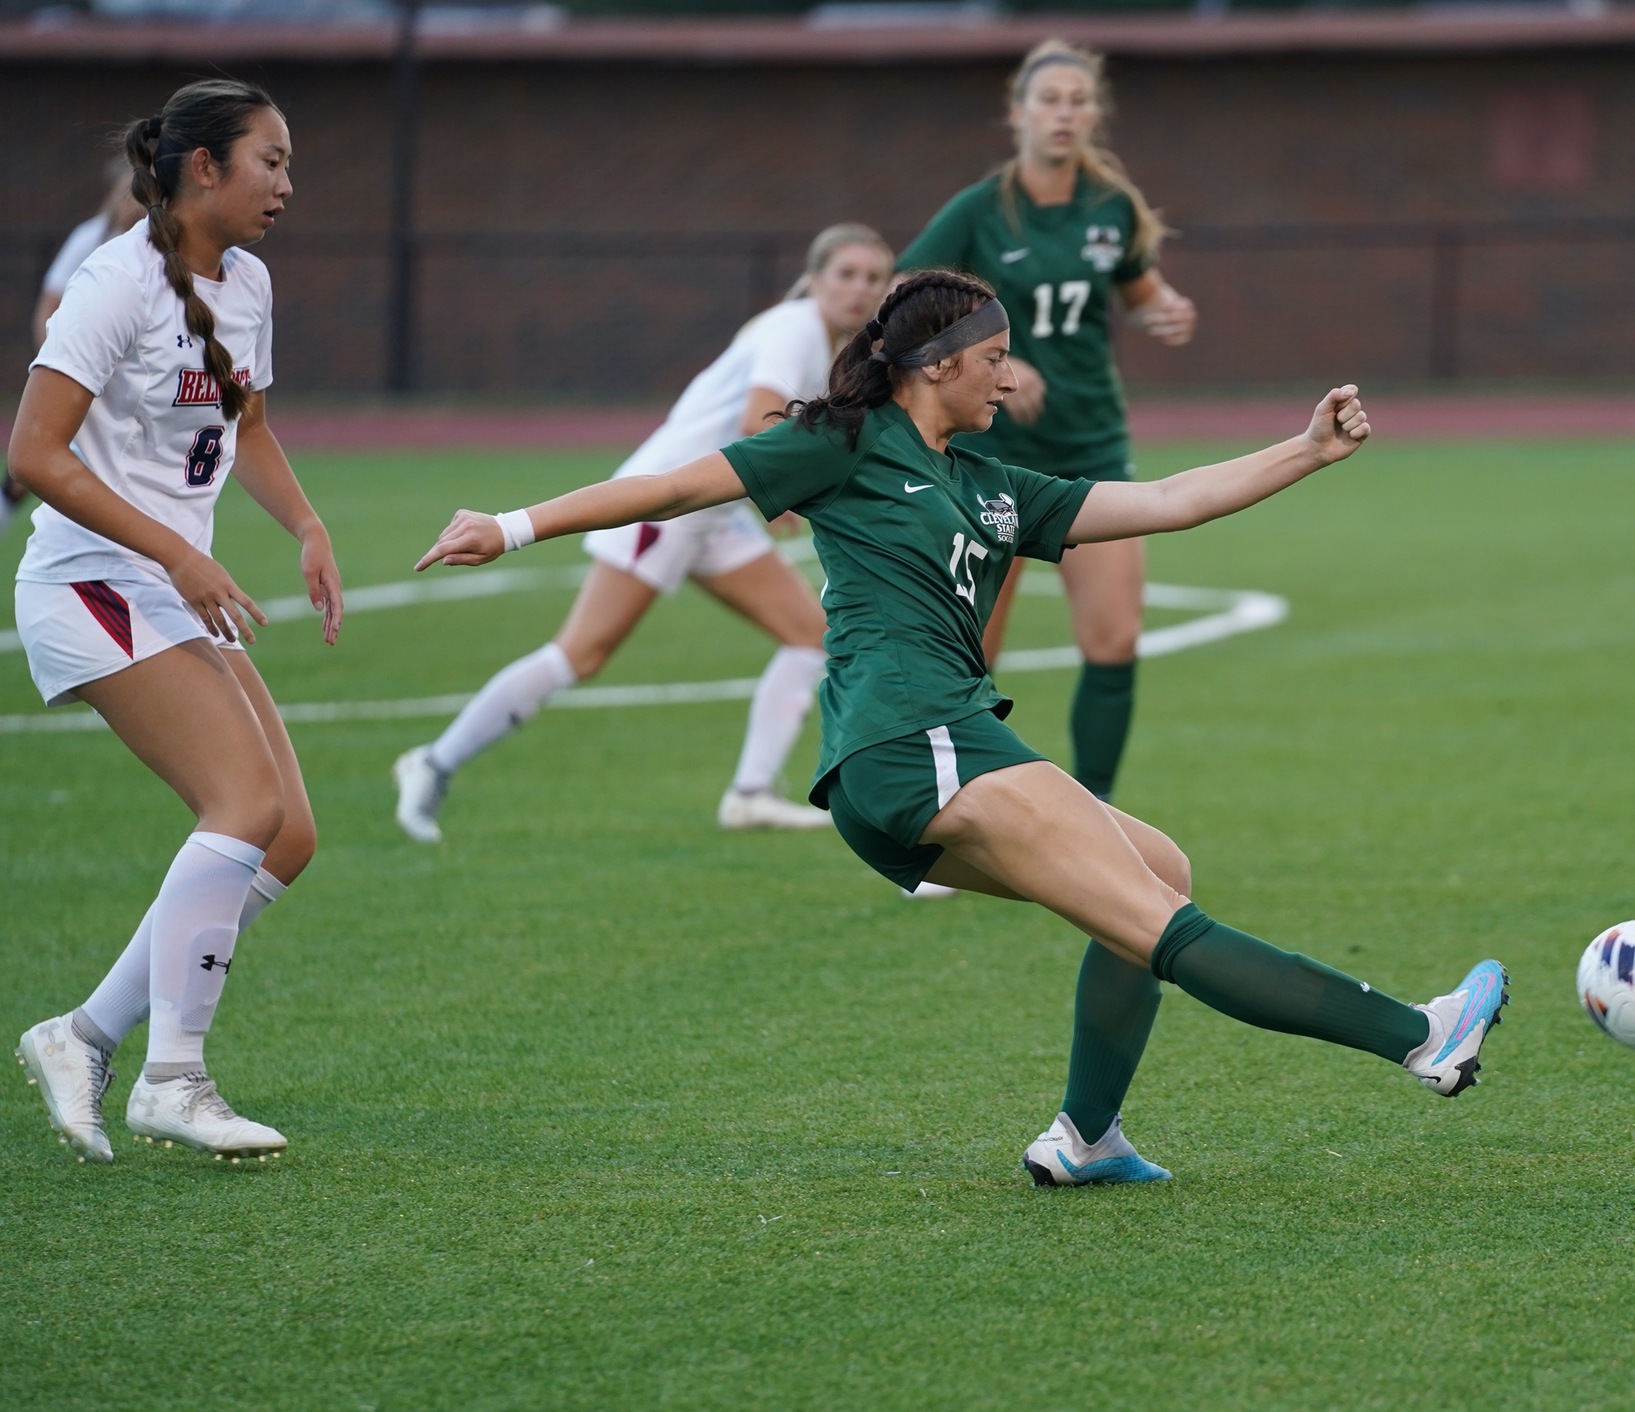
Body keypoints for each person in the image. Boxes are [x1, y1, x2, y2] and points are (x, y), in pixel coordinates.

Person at [414, 270, 1507, 1186]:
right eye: (994, 358)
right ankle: (1419, 1034)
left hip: (908, 761)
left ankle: (1085, 1136)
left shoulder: (986, 483)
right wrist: (510, 525)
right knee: (1158, 921)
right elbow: (670, 487)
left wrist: (1303, 450)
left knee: (1158, 871)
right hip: (915, 740)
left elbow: (1168, 501)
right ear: (936, 364)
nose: (1010, 376)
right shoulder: (839, 442)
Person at [10, 80, 342, 1164]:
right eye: (270, 162)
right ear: (204, 166)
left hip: (159, 583)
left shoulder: (248, 281)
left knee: (286, 835)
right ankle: (172, 1081)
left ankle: (83, 1035)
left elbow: (249, 427)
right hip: (90, 583)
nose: (285, 185)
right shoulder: (114, 282)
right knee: (241, 803)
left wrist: (306, 524)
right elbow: (32, 454)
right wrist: (178, 552)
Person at [392, 224, 895, 843]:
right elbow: (757, 420)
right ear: (814, 280)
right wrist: (803, 489)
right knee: (580, 654)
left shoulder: (824, 341)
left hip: (715, 510)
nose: (858, 288)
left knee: (813, 638)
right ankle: (433, 763)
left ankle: (751, 794)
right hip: (662, 504)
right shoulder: (796, 328)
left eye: (872, 278)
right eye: (845, 274)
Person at [896, 39, 1197, 804]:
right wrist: (992, 358)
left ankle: (1096, 818)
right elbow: (902, 300)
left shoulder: (1110, 208)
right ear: (1017, 113)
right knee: (969, 655)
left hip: (1089, 446)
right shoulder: (979, 210)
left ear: (1095, 114)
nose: (1064, 114)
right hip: (989, 457)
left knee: (1114, 640)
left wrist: (1163, 309)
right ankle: (957, 811)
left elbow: (1138, 292)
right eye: (1049, 100)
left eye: (1077, 100)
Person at [2, 161, 142, 512]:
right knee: (37, 462)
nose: (133, 200)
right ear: (112, 194)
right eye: (126, 191)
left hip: (124, 382)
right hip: (85, 374)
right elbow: (48, 305)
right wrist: (58, 367)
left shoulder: (151, 246)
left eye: (140, 192)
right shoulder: (91, 239)